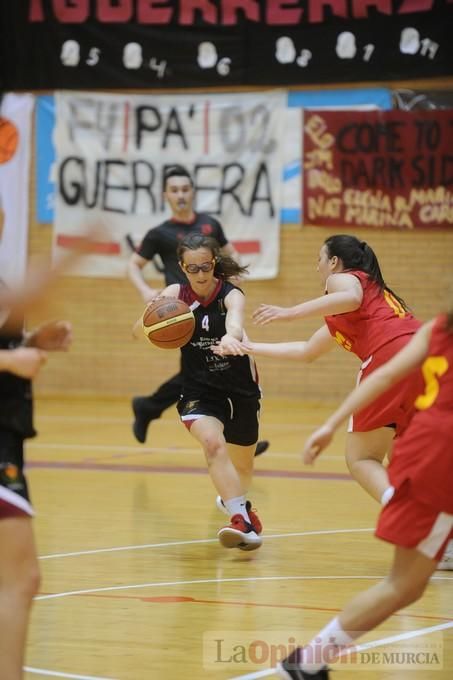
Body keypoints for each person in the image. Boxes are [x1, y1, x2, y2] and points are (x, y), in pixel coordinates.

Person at [277, 309, 453, 679]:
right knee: (403, 585)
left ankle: (308, 661)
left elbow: (387, 374)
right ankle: (307, 661)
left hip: (423, 447)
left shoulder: (439, 326)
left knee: (406, 587)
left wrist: (331, 424)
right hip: (440, 458)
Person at [237, 234, 424, 506]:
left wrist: (289, 312)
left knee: (361, 459)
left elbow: (350, 297)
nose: (317, 267)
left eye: (319, 259)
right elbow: (307, 351)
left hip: (389, 354)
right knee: (402, 458)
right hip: (424, 355)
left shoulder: (344, 278)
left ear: (334, 261)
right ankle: (443, 532)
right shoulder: (369, 302)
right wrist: (251, 348)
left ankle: (408, 516)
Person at [127, 164, 269, 457]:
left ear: (192, 192)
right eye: (174, 190)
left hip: (214, 304)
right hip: (182, 315)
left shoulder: (209, 224)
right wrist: (145, 291)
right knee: (201, 372)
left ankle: (151, 407)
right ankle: (237, 438)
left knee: (218, 366)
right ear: (166, 195)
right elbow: (133, 265)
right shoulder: (159, 233)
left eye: (185, 189)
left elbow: (230, 252)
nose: (180, 194)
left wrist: (236, 273)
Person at [138, 234, 263, 550]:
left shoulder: (230, 294)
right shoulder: (174, 295)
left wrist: (232, 337)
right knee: (212, 444)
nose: (200, 274)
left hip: (239, 387)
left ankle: (238, 506)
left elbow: (235, 321)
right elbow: (138, 331)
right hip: (198, 388)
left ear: (215, 263)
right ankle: (241, 521)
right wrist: (149, 319)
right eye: (192, 268)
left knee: (243, 467)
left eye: (206, 266)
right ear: (182, 267)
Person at [0, 281, 72, 679]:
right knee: (20, 578)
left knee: (20, 579)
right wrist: (9, 362)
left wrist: (31, 340)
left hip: (8, 438)